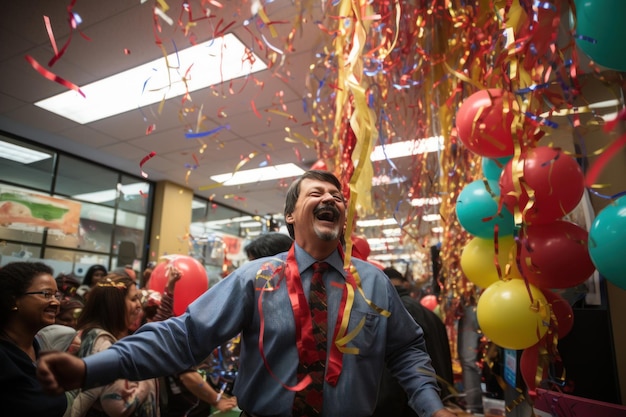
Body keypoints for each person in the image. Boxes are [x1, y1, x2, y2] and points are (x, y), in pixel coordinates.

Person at [37, 170, 456, 417]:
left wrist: (431, 408)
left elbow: (406, 351)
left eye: (337, 195)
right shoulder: (256, 279)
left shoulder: (374, 282)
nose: (331, 197)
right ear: (291, 216)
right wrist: (95, 368)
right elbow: (183, 337)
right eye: (317, 193)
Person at [67, 273, 159, 416]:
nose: (139, 305)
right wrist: (147, 374)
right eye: (134, 299)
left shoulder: (90, 333)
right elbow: (119, 406)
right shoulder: (102, 343)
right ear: (115, 305)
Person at [373, 267, 455, 417]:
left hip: (412, 405)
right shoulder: (422, 310)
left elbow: (401, 361)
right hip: (433, 397)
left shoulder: (394, 311)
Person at [0, 261, 67, 416]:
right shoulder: (3, 356)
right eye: (46, 294)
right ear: (13, 300)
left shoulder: (36, 347)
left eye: (56, 295)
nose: (56, 302)